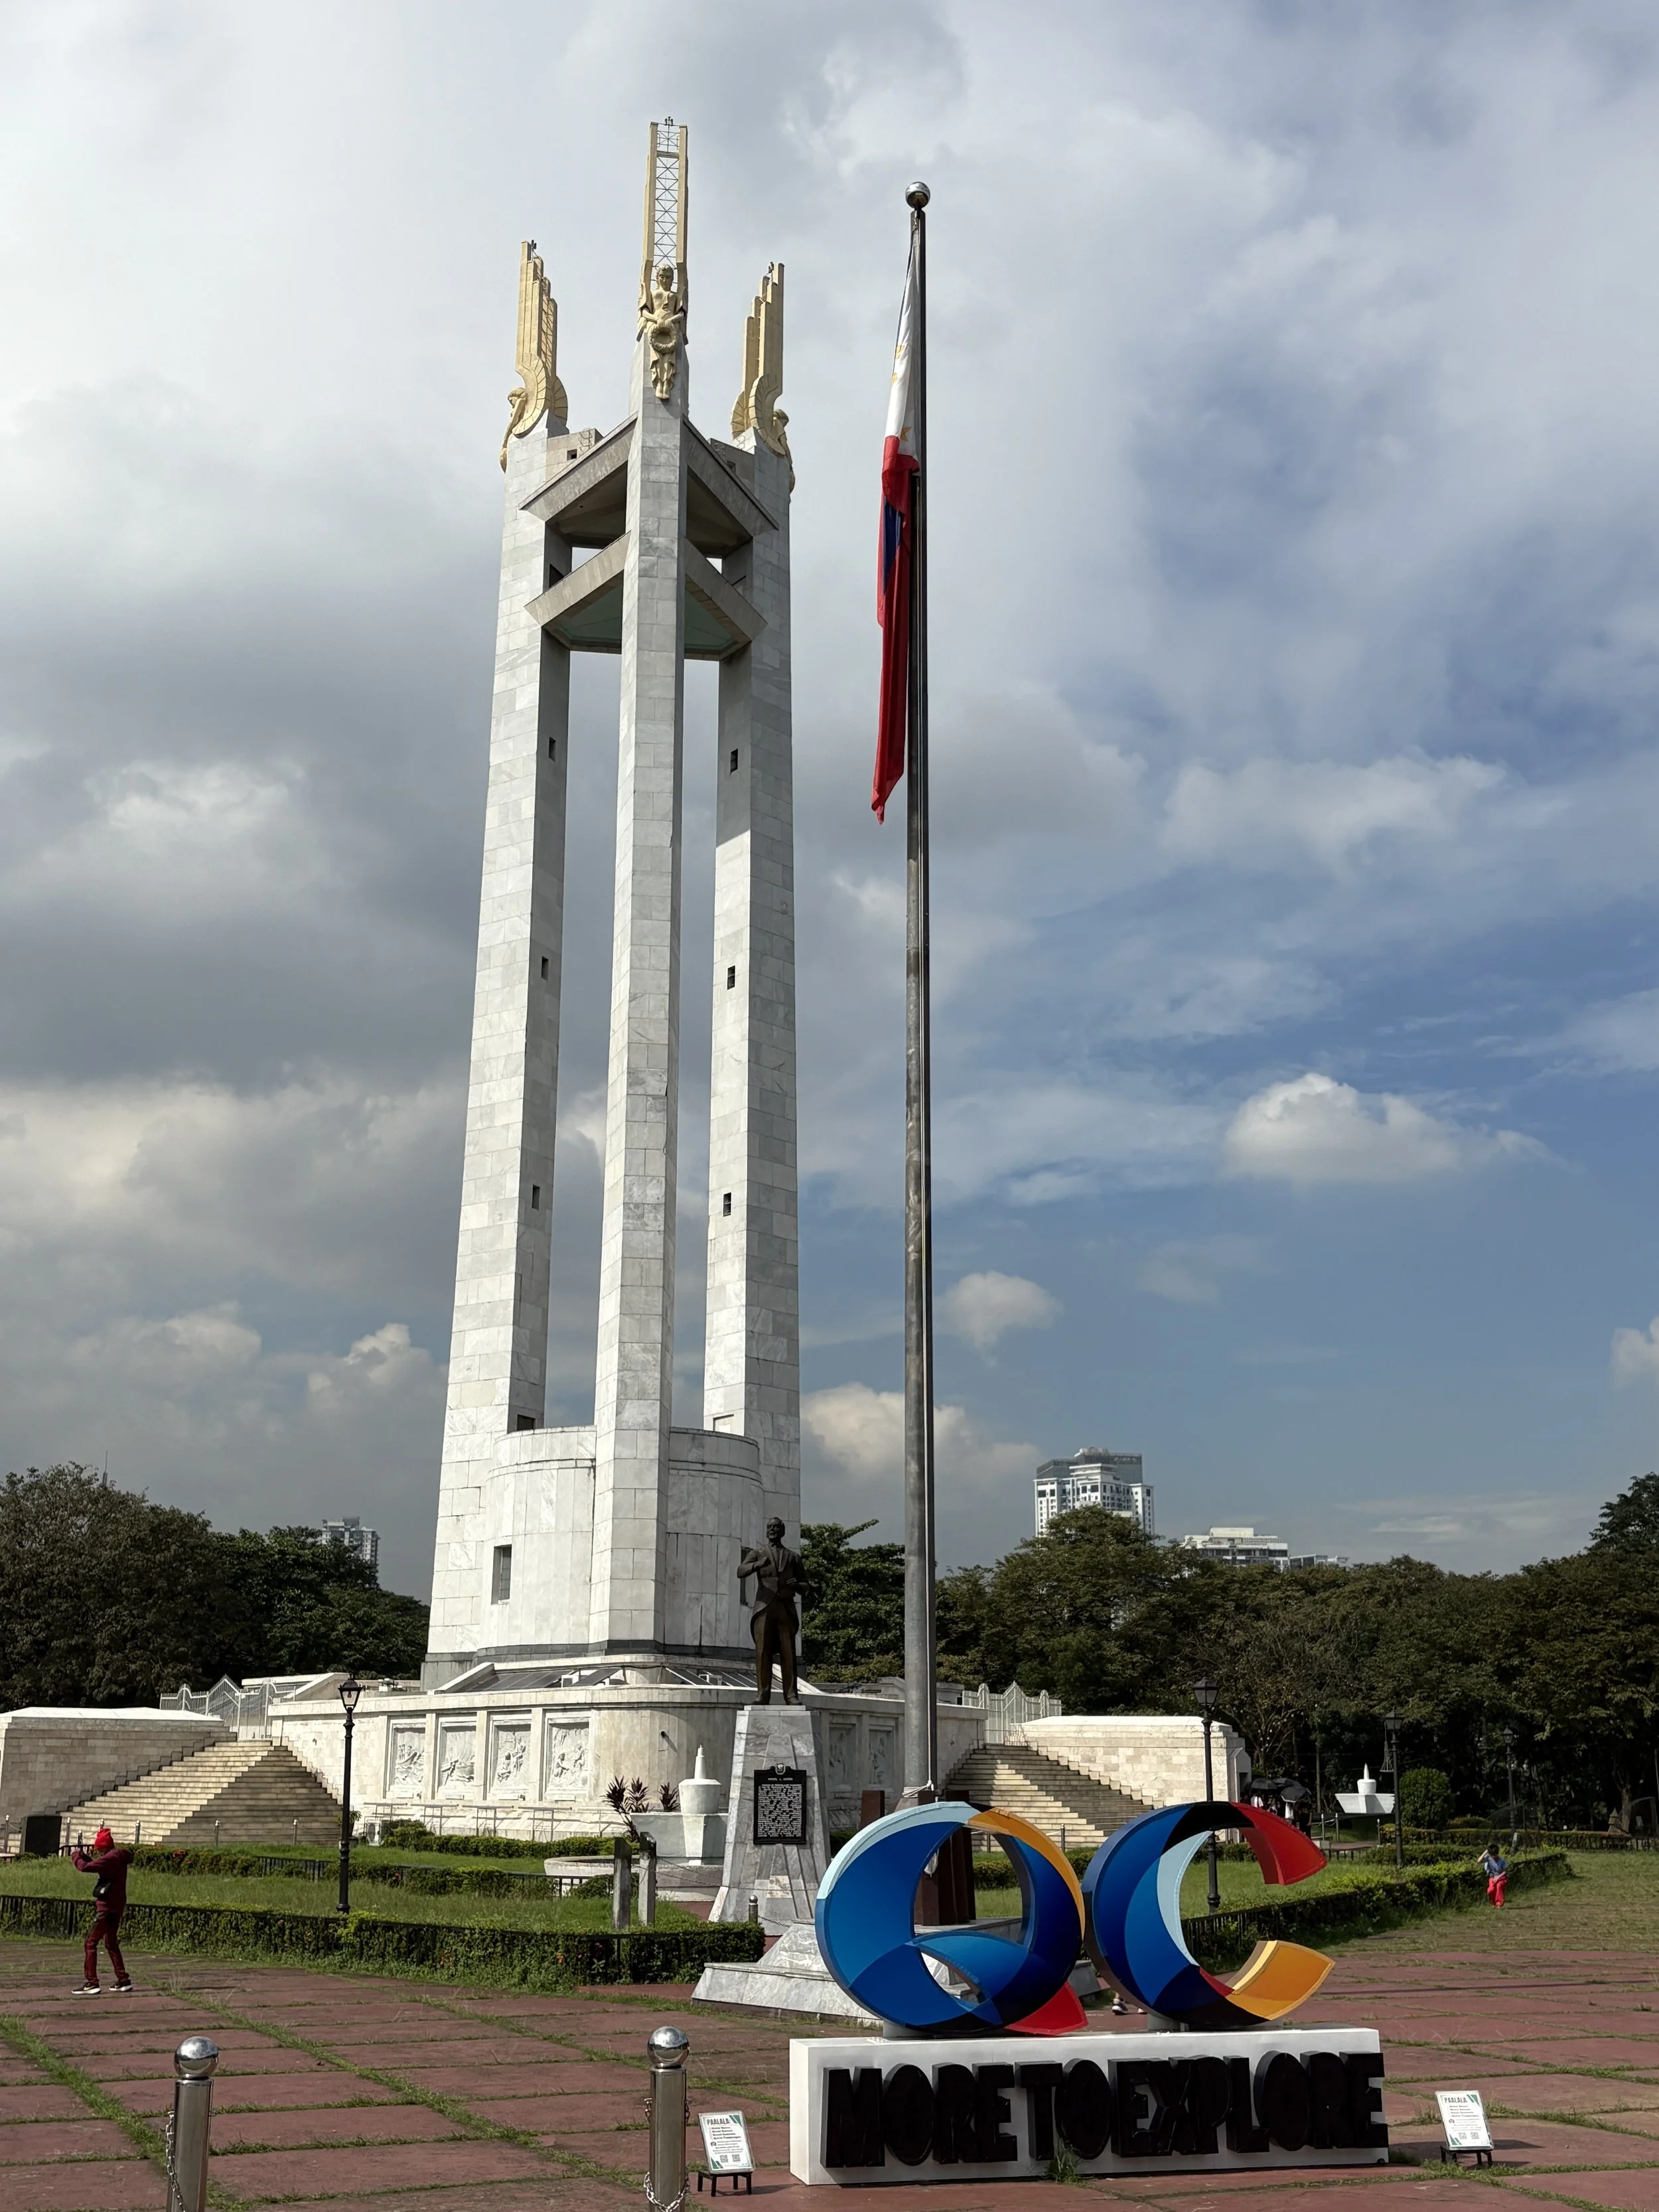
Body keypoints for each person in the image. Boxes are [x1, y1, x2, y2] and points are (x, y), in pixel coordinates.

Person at [737, 1517, 810, 1704]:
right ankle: (763, 1694)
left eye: (777, 1527)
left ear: (783, 1531)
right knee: (763, 1652)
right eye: (770, 1527)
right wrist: (757, 1565)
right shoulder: (758, 1553)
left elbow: (806, 1585)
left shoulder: (793, 1557)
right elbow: (740, 1571)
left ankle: (791, 1695)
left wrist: (798, 1585)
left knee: (789, 1653)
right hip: (764, 1607)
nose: (773, 1530)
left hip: (785, 1607)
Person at [70, 1825, 133, 1993]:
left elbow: (85, 1868)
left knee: (90, 1943)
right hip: (117, 1906)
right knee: (111, 1943)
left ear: (103, 1847)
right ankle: (123, 1979)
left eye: (99, 1849)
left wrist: (76, 1856)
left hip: (106, 1908)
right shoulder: (118, 1858)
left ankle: (92, 1982)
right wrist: (87, 1857)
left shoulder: (110, 1858)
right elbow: (98, 1865)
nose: (98, 1853)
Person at [1478, 1843, 1508, 1909]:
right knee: (1491, 1890)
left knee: (1499, 1886)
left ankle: (1499, 1903)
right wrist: (1486, 1852)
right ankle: (1493, 1903)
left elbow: (1505, 1871)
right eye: (1492, 1855)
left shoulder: (1502, 1861)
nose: (1494, 1857)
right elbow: (1479, 1861)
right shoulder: (1489, 1858)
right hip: (1493, 1877)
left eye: (1495, 1855)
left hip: (1502, 1877)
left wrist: (1498, 1877)